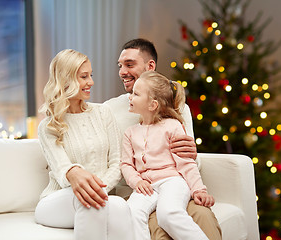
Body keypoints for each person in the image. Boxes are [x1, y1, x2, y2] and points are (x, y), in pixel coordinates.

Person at [104, 38, 222, 240]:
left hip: (174, 182)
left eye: (129, 64)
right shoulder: (108, 110)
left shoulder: (178, 108)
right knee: (158, 227)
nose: (122, 72)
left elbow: (187, 160)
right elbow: (121, 163)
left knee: (203, 216)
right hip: (139, 188)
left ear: (150, 66)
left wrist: (193, 157)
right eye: (120, 66)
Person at [35, 49, 134, 240]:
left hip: (100, 196)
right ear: (66, 79)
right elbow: (64, 172)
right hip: (57, 201)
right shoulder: (48, 126)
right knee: (88, 201)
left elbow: (117, 162)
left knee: (120, 206)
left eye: (91, 75)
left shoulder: (103, 113)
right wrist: (78, 176)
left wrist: (100, 189)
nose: (91, 82)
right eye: (84, 76)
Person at [121, 71, 215, 240]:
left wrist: (199, 190)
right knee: (131, 213)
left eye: (136, 94)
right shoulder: (130, 133)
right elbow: (126, 165)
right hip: (146, 186)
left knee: (168, 214)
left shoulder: (173, 126)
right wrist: (137, 181)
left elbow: (186, 162)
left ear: (152, 105)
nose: (130, 97)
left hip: (172, 181)